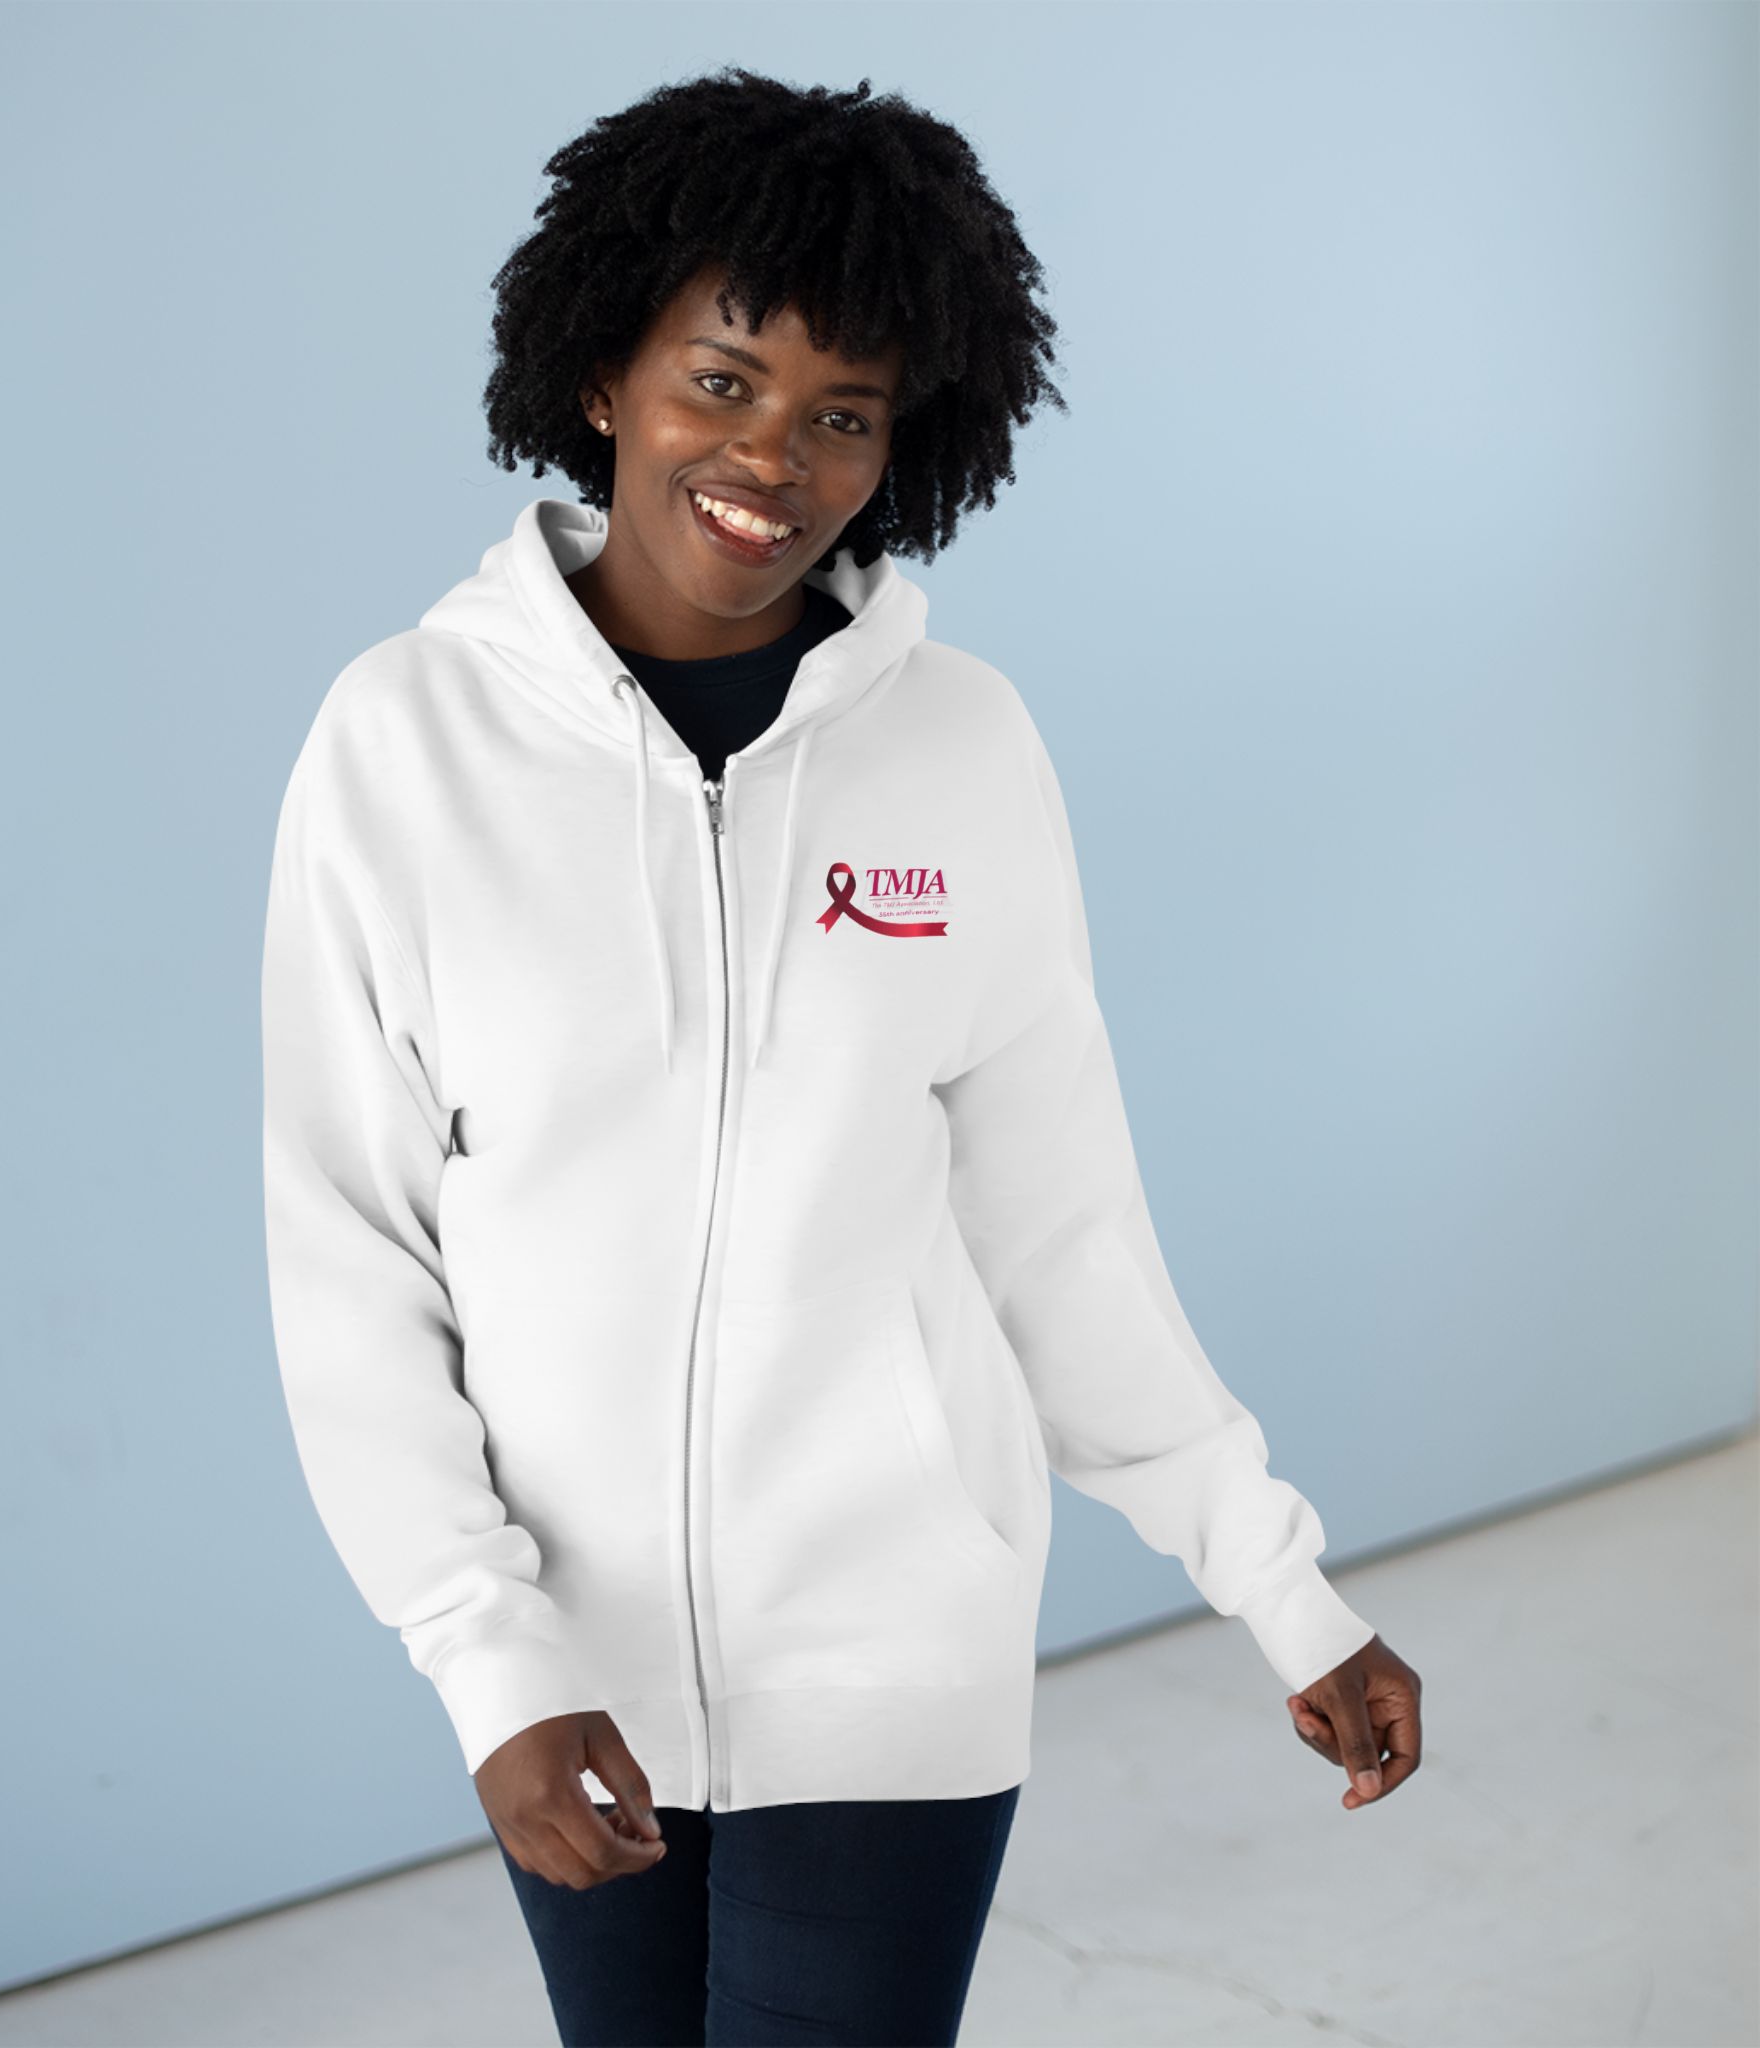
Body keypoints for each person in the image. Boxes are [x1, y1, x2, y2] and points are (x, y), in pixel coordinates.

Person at [260, 67, 1423, 2048]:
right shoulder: (402, 742)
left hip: (898, 1653)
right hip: (570, 1675)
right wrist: (488, 1655)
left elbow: (1058, 1228)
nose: (770, 456)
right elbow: (352, 1253)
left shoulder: (963, 747)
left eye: (842, 414)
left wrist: (1281, 1582)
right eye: (721, 380)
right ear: (604, 372)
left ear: (910, 444)